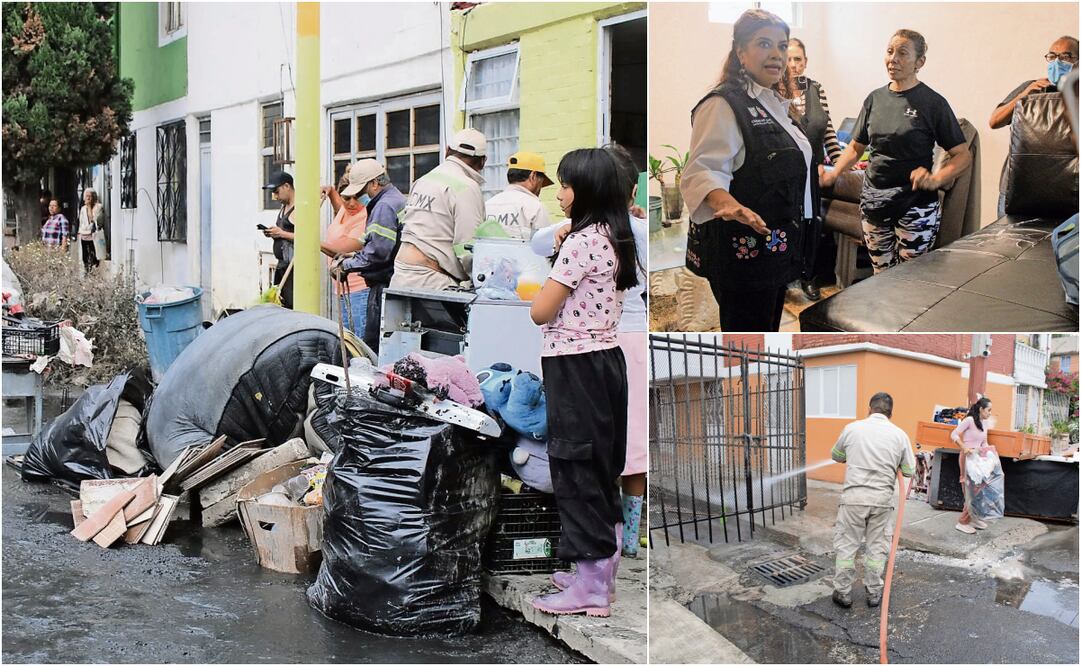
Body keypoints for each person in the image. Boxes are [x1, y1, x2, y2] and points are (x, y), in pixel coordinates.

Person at [529, 148, 639, 617]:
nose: (560, 193)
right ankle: (599, 576)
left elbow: (541, 310)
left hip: (574, 365)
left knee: (575, 469)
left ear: (588, 191)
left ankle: (590, 588)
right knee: (600, 468)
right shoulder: (618, 235)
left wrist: (545, 277)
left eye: (567, 184)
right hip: (607, 361)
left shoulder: (580, 242)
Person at [681, 9, 815, 332]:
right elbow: (702, 172)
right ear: (740, 51)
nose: (776, 54)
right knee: (747, 344)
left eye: (782, 46)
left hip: (777, 250)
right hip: (745, 260)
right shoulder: (723, 105)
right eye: (764, 44)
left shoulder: (774, 104)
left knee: (767, 334)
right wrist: (728, 203)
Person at [820, 30, 971, 274]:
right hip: (874, 203)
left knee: (909, 280)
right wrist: (833, 173)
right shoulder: (875, 99)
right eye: (890, 51)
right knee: (881, 277)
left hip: (915, 205)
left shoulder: (933, 103)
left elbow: (963, 154)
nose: (893, 59)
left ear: (919, 62)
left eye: (903, 53)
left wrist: (936, 179)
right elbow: (856, 147)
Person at [830, 392, 915, 609]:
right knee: (877, 548)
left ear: (869, 409)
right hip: (881, 501)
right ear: (890, 413)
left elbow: (836, 455)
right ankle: (874, 593)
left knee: (847, 546)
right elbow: (908, 471)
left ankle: (843, 592)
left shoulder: (852, 428)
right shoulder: (899, 435)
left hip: (853, 499)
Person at [989, 36, 1077, 216]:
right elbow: (994, 121)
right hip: (1019, 185)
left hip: (1067, 189)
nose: (1057, 62)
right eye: (1052, 56)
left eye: (1066, 56)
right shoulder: (1031, 87)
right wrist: (1024, 95)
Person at [390, 128, 487, 291]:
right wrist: (482, 281)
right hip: (431, 282)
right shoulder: (467, 187)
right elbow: (468, 245)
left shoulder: (422, 180)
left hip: (401, 275)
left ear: (447, 151)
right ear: (483, 161)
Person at [783, 37, 842, 301]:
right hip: (783, 174)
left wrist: (839, 164)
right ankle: (782, 276)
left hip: (812, 172)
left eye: (798, 59)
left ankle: (808, 275)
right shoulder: (772, 90)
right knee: (784, 221)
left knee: (810, 222)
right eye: (788, 59)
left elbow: (828, 130)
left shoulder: (815, 89)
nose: (793, 64)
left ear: (805, 62)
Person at [335, 160, 407, 352]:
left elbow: (378, 253)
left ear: (375, 183)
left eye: (360, 192)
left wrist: (347, 266)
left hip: (385, 284)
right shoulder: (396, 199)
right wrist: (355, 255)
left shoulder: (384, 206)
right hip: (396, 281)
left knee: (373, 348)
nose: (358, 198)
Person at [951, 397, 1001, 535]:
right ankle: (962, 522)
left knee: (980, 489)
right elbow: (954, 434)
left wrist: (990, 452)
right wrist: (963, 447)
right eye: (988, 410)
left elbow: (984, 442)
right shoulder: (969, 420)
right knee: (970, 490)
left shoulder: (984, 423)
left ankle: (973, 517)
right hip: (967, 458)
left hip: (978, 459)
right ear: (981, 409)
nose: (990, 413)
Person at [483, 151, 554, 240]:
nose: (540, 188)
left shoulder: (487, 205)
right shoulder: (536, 207)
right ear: (533, 176)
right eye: (542, 182)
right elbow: (545, 245)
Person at [262, 171, 296, 309]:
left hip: (294, 267)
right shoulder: (283, 207)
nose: (275, 197)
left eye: (277, 192)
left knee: (292, 306)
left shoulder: (299, 208)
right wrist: (273, 233)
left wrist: (281, 233)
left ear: (287, 186)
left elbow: (306, 238)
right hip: (282, 265)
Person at [76, 188, 103, 273]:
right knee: (85, 256)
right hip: (84, 234)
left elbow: (93, 220)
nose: (88, 198)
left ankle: (94, 270)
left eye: (90, 196)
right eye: (86, 196)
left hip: (93, 235)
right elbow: (81, 222)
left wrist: (89, 207)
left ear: (93, 197)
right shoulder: (83, 209)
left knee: (94, 255)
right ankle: (87, 271)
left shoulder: (98, 207)